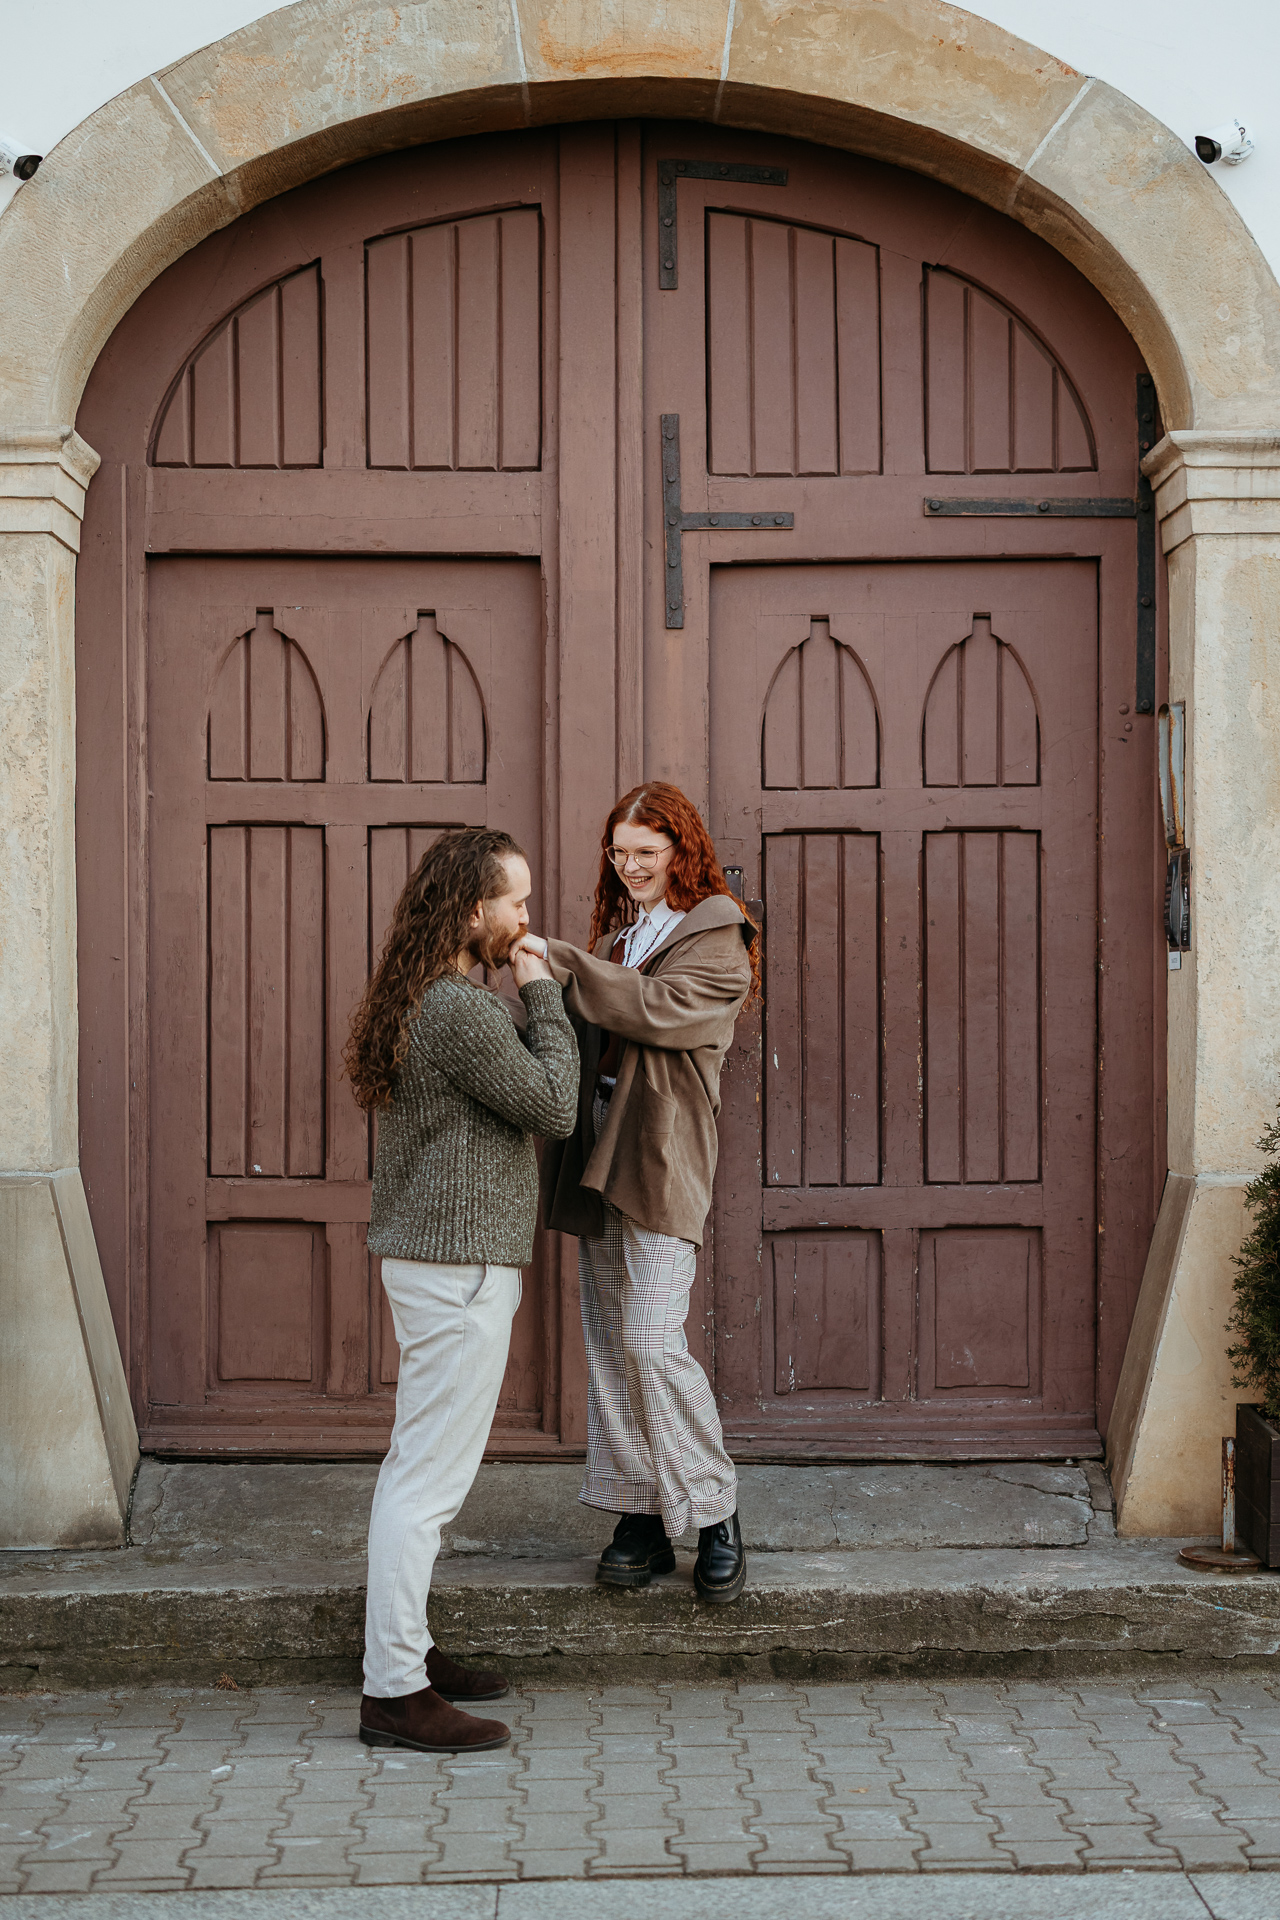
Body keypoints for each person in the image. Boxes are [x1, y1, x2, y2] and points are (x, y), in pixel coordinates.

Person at [343, 827, 578, 1753]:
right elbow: (555, 1104)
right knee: (426, 1483)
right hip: (460, 1272)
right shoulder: (465, 1011)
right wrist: (543, 993)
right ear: (472, 909)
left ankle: (408, 1652)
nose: (527, 918)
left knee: (419, 1467)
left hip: (440, 1264)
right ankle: (395, 1693)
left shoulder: (427, 1000)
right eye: (515, 902)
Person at [524, 782, 759, 1604]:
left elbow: (659, 1012)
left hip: (659, 1155)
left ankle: (716, 1511)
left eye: (646, 854)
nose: (629, 868)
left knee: (653, 1340)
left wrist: (560, 960)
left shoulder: (719, 935)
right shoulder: (623, 936)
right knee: (610, 1341)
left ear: (681, 851)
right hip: (594, 1146)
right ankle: (639, 1515)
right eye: (620, 853)